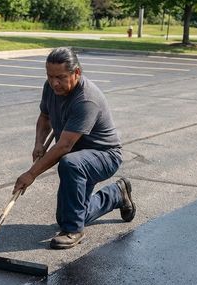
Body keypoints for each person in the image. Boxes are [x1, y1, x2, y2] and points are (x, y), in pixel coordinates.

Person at [12, 47, 136, 250]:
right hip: (79, 158)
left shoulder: (86, 98)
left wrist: (31, 174)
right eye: (50, 76)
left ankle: (74, 231)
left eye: (60, 77)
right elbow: (45, 117)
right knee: (68, 215)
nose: (54, 83)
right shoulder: (51, 87)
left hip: (104, 156)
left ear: (76, 72)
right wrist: (38, 143)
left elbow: (64, 146)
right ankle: (116, 194)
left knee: (69, 163)